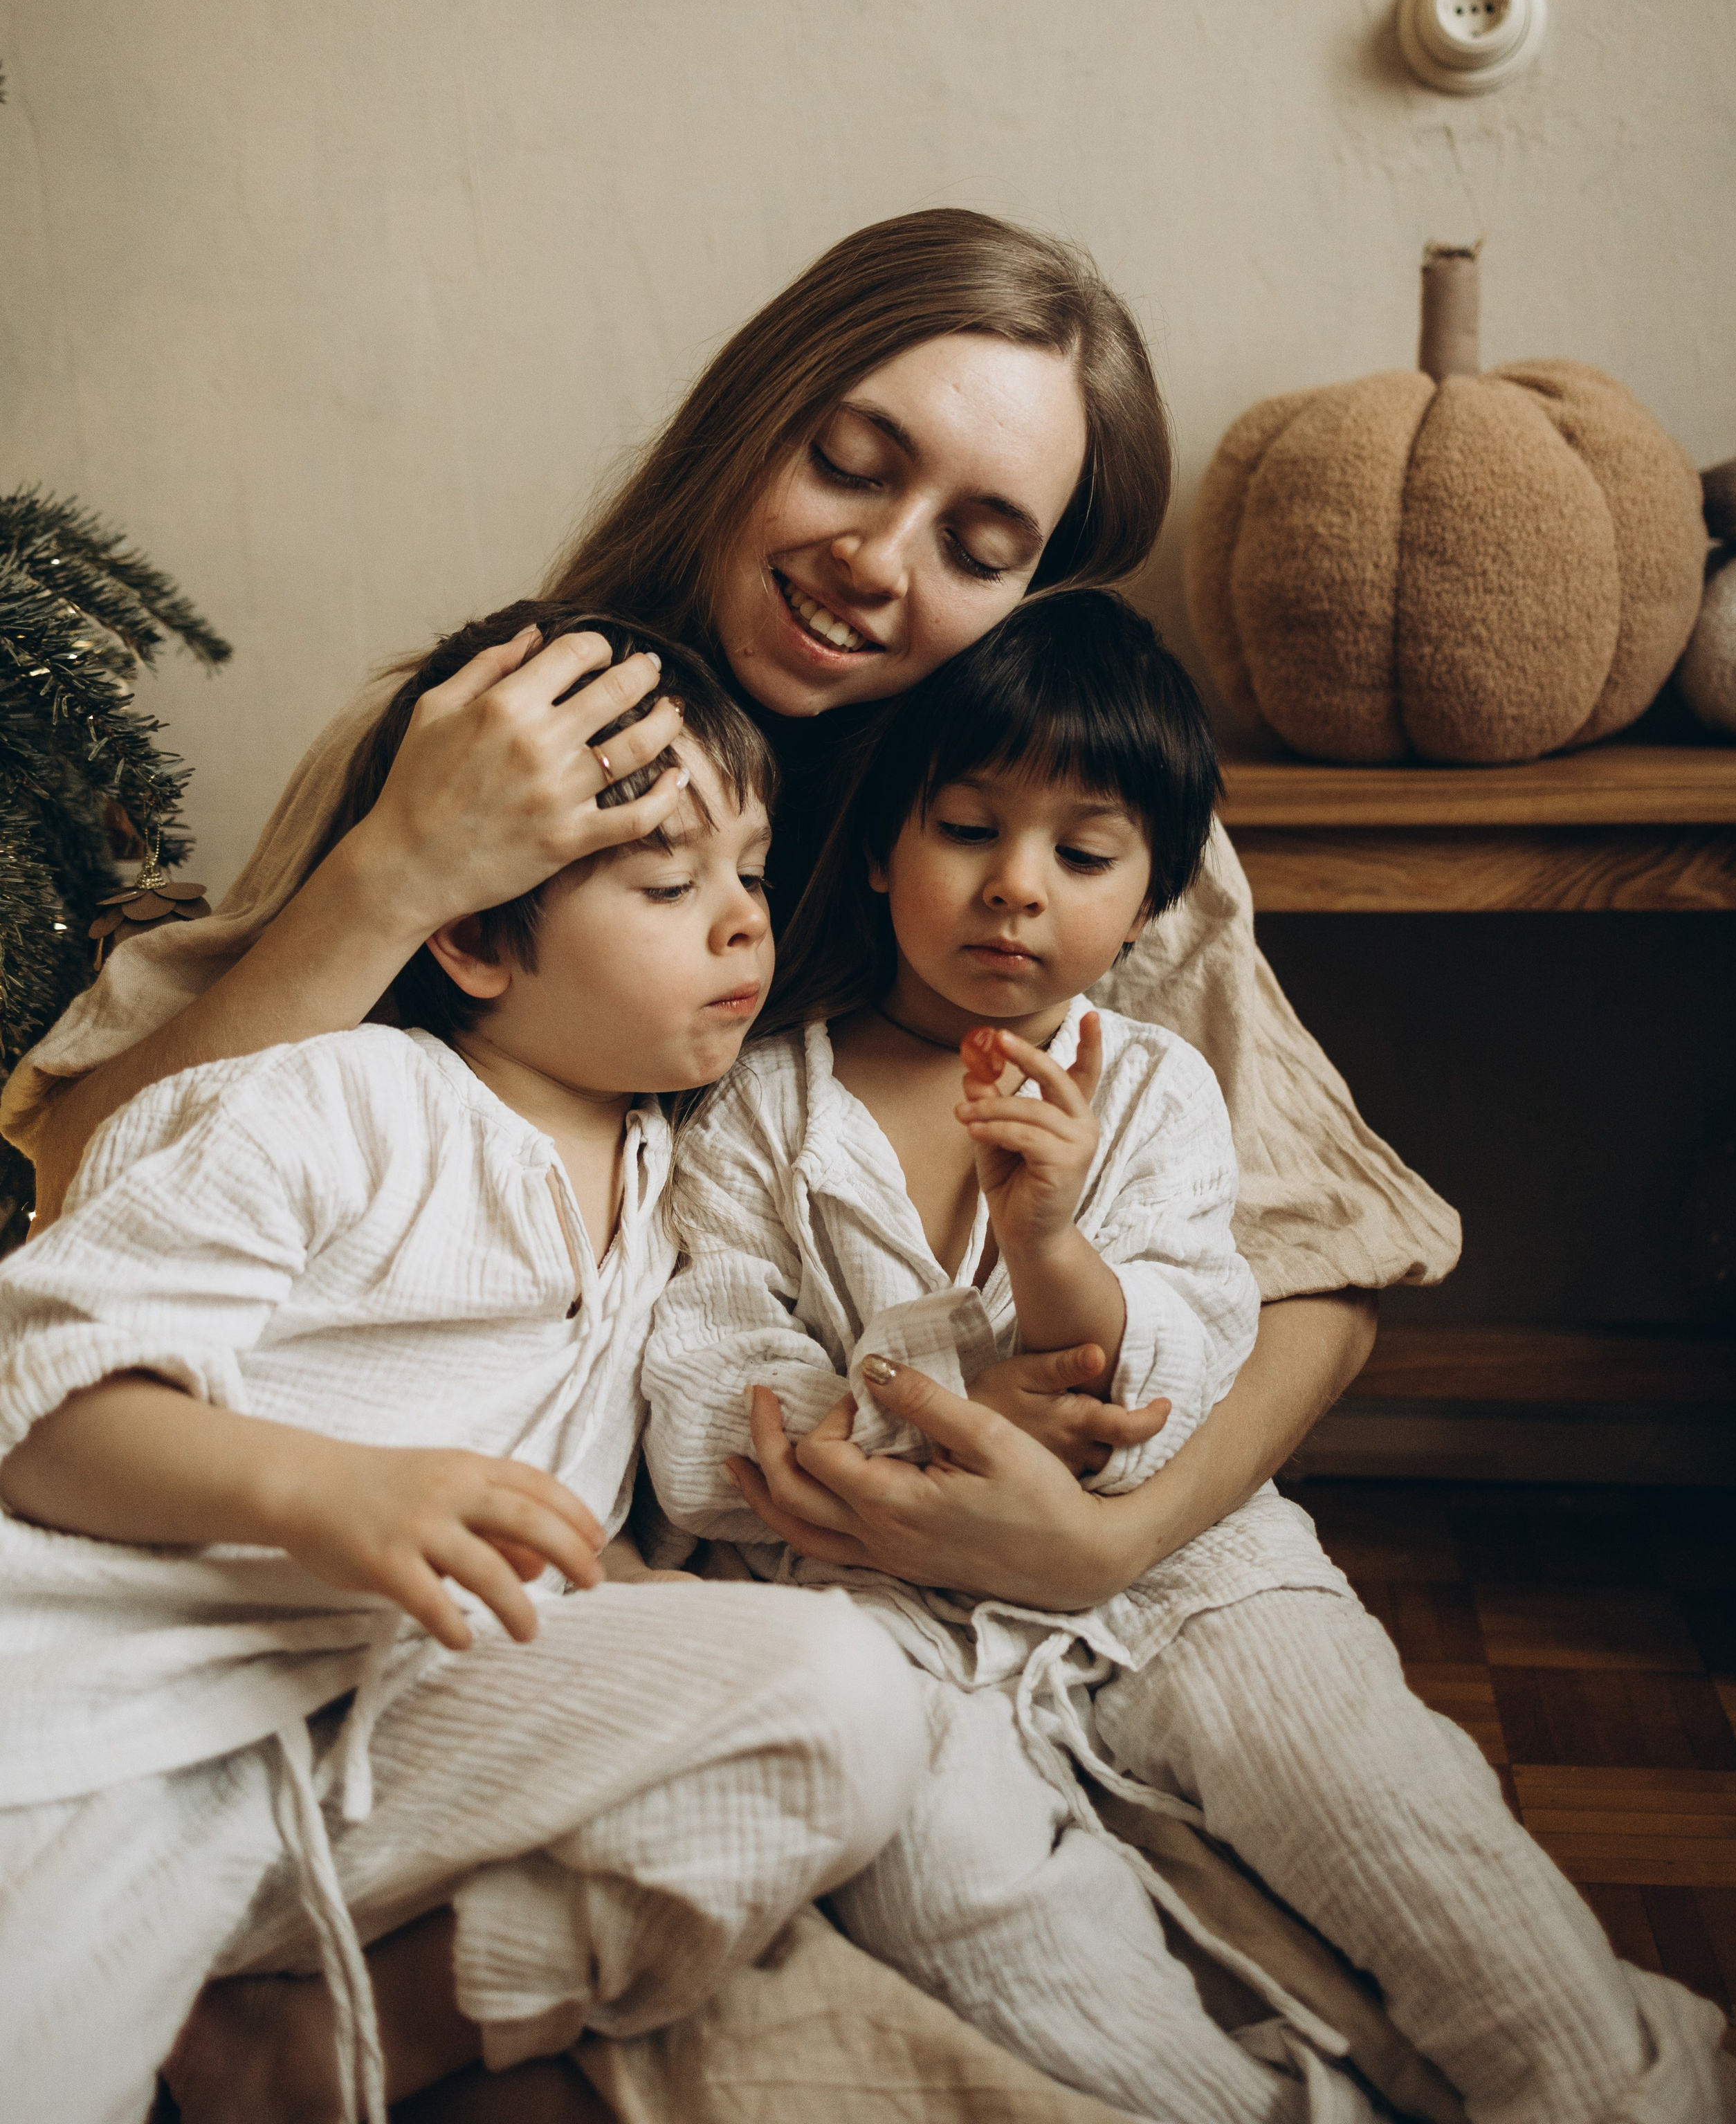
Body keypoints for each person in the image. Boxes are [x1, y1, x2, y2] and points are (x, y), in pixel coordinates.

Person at [2, 207, 1457, 1619]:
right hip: (456, 1552)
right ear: (749, 419)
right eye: (847, 464)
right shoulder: (487, 736)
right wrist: (394, 873)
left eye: (977, 547)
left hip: (912, 1555)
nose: (877, 563)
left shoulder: (1074, 847)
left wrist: (1104, 1544)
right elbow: (83, 1172)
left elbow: (1319, 1266)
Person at [643, 589, 1736, 2124]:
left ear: (1155, 895)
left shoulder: (1155, 1088)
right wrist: (938, 1405)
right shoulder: (758, 1106)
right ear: (886, 844)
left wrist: (1046, 1248)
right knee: (959, 1898)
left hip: (1190, 1580)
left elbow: (1171, 1377)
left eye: (1082, 854)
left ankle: (1608, 2093)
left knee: (1387, 1807)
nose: (1014, 891)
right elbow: (708, 1420)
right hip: (881, 1610)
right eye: (966, 827)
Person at [0, 608, 925, 2124]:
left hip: (379, 1757)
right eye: (666, 881)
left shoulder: (674, 1188)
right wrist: (321, 1492)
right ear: (480, 935)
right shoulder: (336, 1101)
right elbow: (44, 1404)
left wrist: (638, 1608)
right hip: (112, 1717)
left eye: (749, 872)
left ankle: (317, 2056)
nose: (743, 923)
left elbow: (555, 1511)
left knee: (850, 1704)